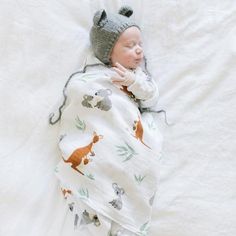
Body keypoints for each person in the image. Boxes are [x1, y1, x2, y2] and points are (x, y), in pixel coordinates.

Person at [50, 6, 163, 236]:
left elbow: (151, 96)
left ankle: (125, 227)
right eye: (130, 46)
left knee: (128, 197)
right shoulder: (92, 77)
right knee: (92, 211)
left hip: (126, 146)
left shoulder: (137, 77)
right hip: (98, 155)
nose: (139, 51)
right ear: (108, 51)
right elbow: (77, 92)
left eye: (139, 44)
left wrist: (133, 82)